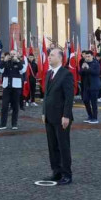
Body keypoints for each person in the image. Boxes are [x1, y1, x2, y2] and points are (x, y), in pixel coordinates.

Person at [40, 48, 74, 185]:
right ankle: (56, 172)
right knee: (52, 146)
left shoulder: (66, 74)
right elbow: (46, 95)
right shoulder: (49, 73)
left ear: (60, 58)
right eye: (49, 55)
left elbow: (69, 97)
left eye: (52, 55)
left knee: (63, 146)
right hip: (49, 116)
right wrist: (43, 112)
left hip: (61, 117)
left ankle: (67, 174)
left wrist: (66, 115)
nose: (49, 57)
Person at [0, 50, 26, 130]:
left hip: (16, 87)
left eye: (14, 54)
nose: (12, 56)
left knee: (16, 105)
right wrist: (3, 61)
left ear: (17, 54)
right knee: (4, 106)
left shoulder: (21, 62)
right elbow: (0, 70)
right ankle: (3, 124)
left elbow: (23, 71)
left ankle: (14, 124)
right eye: (11, 54)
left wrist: (18, 62)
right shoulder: (6, 62)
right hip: (6, 86)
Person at [79, 50, 101, 124]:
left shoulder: (96, 63)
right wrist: (82, 68)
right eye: (86, 56)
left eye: (88, 56)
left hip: (94, 86)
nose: (87, 58)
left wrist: (88, 68)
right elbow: (80, 73)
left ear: (92, 56)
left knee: (94, 102)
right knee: (85, 100)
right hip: (86, 86)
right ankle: (90, 116)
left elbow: (97, 73)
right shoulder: (84, 63)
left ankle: (95, 118)